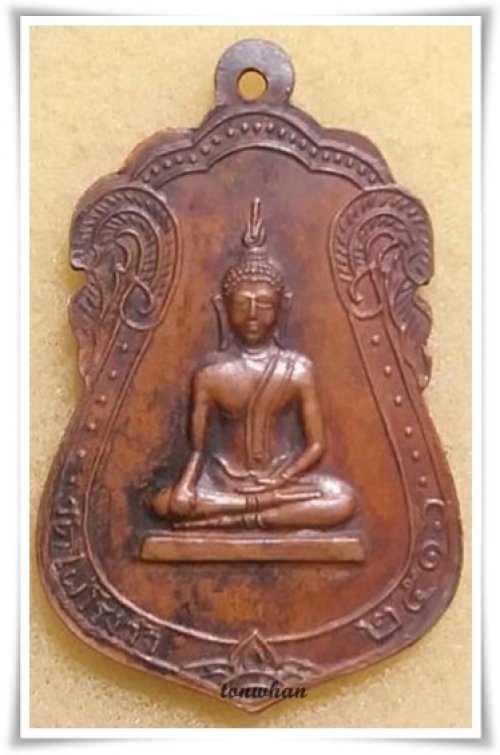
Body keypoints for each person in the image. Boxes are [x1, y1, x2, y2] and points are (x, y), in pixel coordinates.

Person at [150, 198, 356, 530]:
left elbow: (317, 445)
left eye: (264, 304)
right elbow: (197, 450)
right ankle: (256, 513)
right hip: (223, 482)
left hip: (282, 482)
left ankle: (245, 517)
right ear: (223, 308)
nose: (252, 315)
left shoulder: (298, 370)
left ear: (281, 309)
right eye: (242, 304)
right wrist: (186, 487)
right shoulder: (210, 375)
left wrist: (281, 478)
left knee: (342, 498)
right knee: (163, 502)